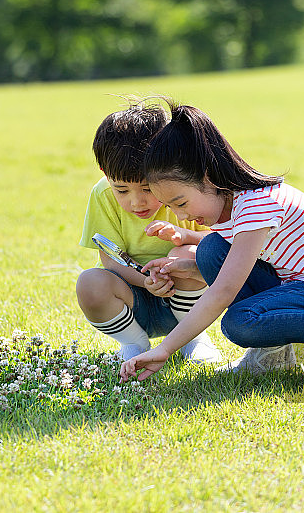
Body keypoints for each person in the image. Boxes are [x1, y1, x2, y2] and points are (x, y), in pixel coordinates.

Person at [119, 101, 304, 382]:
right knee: (211, 250)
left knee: (240, 323)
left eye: (181, 203)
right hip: (296, 282)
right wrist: (188, 269)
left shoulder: (256, 205)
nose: (181, 215)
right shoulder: (230, 205)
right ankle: (272, 354)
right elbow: (239, 264)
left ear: (208, 176)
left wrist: (165, 349)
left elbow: (225, 290)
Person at [76, 99, 223, 363]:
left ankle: (192, 339)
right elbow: (109, 259)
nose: (136, 202)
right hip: (132, 300)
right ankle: (134, 344)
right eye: (122, 190)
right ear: (104, 173)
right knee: (90, 282)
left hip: (186, 299)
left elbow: (221, 241)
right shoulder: (102, 194)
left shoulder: (185, 193)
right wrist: (146, 282)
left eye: (147, 188)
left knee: (186, 254)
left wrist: (184, 237)